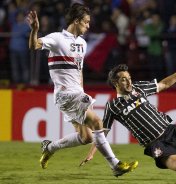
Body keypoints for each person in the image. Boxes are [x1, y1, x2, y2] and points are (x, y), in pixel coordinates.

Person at [26, 3, 137, 177]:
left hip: (77, 92)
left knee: (86, 137)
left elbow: (79, 71)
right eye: (86, 22)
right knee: (98, 123)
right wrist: (34, 30)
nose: (88, 25)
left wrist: (82, 91)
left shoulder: (82, 44)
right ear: (77, 21)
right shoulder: (56, 38)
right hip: (66, 94)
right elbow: (34, 46)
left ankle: (49, 147)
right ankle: (115, 165)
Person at [80, 61, 176, 181]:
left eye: (129, 78)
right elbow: (102, 133)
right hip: (156, 145)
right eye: (123, 79)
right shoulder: (113, 106)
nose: (129, 82)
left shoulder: (139, 88)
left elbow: (164, 84)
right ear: (116, 83)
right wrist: (91, 153)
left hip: (172, 131)